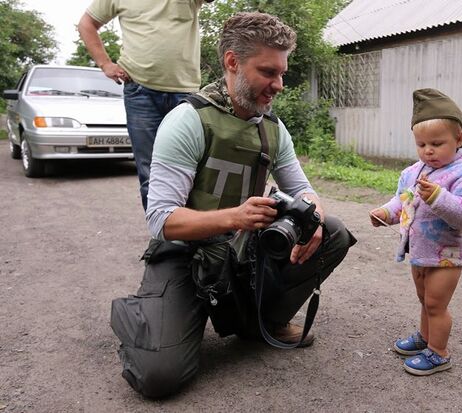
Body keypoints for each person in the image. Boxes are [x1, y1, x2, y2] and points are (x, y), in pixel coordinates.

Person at [109, 12, 356, 398]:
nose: (278, 85)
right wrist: (235, 217)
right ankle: (146, 314)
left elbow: (304, 189)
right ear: (232, 62)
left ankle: (261, 324)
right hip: (187, 255)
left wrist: (315, 217)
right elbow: (161, 220)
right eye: (267, 72)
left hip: (243, 254)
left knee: (335, 232)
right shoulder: (188, 121)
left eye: (282, 73)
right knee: (159, 377)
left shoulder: (272, 128)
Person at [369, 88, 462, 376]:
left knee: (436, 304)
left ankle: (439, 352)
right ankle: (425, 336)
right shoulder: (412, 172)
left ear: (459, 139)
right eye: (421, 144)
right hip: (419, 252)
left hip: (446, 255)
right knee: (424, 301)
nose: (428, 150)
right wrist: (385, 212)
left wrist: (438, 198)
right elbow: (402, 201)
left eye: (436, 143)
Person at [77, 0, 214, 211]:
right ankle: (164, 239)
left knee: (196, 169)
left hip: (185, 93)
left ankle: (197, 233)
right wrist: (105, 63)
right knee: (151, 172)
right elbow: (86, 23)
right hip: (140, 91)